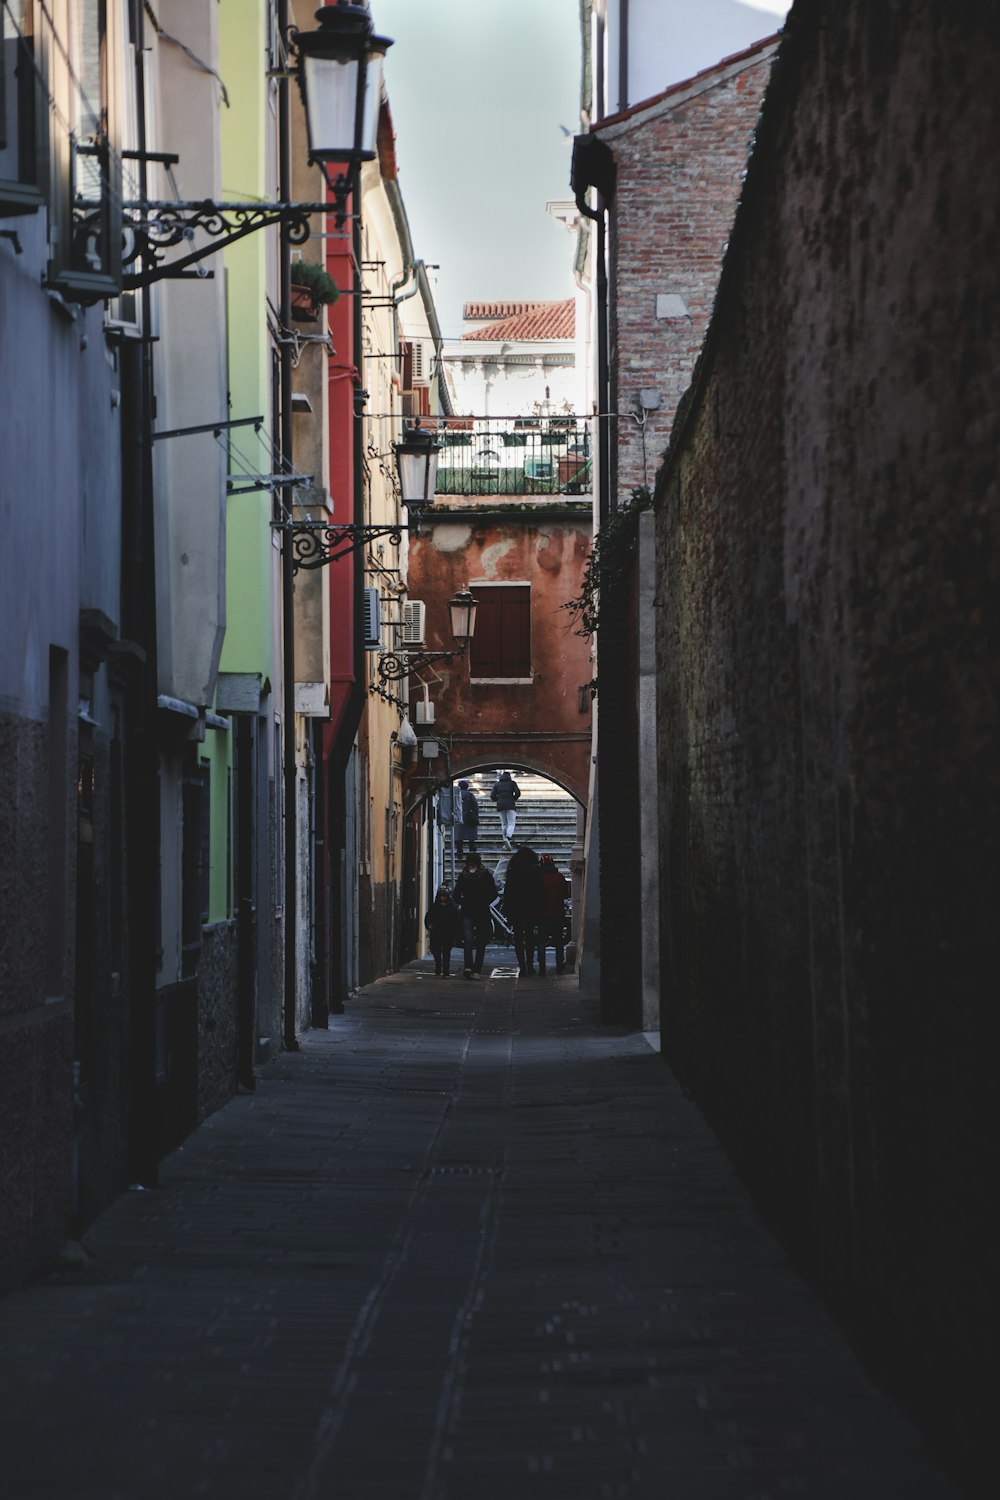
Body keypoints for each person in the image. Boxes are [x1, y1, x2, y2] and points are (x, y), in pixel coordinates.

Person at [452, 851, 498, 979]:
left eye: (473, 864)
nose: (471, 867)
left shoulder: (485, 876)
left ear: (478, 864)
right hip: (469, 912)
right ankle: (468, 967)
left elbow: (493, 892)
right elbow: (456, 894)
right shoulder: (464, 877)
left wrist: (483, 902)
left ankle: (476, 969)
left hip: (481, 912)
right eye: (469, 865)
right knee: (468, 940)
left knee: (480, 942)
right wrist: (464, 902)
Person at [502, 844, 543, 976]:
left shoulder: (514, 871)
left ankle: (522, 967)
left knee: (518, 938)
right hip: (531, 908)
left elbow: (508, 892)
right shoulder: (536, 871)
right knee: (530, 936)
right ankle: (530, 965)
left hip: (516, 909)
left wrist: (507, 909)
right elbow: (539, 891)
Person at [536, 853, 571, 975]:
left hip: (542, 913)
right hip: (558, 912)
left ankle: (542, 967)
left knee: (541, 941)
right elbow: (566, 894)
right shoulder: (559, 877)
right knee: (558, 941)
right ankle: (559, 965)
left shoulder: (538, 878)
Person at [424, 884, 462, 977]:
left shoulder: (452, 908)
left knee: (446, 953)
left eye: (444, 896)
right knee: (436, 951)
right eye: (441, 896)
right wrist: (429, 925)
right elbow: (428, 917)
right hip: (437, 932)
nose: (442, 898)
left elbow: (456, 921)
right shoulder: (435, 907)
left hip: (448, 933)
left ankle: (445, 971)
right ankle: (439, 966)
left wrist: (455, 932)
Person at [490, 769, 522, 850]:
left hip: (500, 805)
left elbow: (492, 796)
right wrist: (513, 798)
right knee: (511, 823)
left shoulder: (497, 784)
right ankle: (508, 838)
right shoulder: (512, 783)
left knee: (504, 824)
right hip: (510, 804)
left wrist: (498, 800)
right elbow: (518, 793)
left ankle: (505, 840)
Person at [455, 778, 479, 856]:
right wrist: (475, 814)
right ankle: (471, 847)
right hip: (469, 816)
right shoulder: (470, 794)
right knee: (471, 833)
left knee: (459, 834)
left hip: (458, 816)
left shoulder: (456, 795)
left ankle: (459, 850)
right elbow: (475, 805)